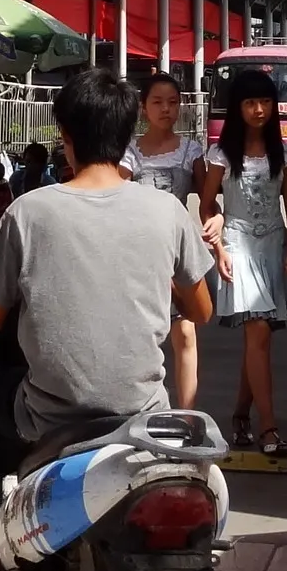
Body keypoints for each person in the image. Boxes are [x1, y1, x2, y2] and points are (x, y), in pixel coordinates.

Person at [0, 69, 214, 571]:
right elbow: (201, 311)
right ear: (126, 133)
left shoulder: (29, 211)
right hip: (142, 411)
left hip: (51, 415)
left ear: (64, 137)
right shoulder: (167, 211)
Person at [199, 68, 287, 458]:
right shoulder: (221, 155)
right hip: (237, 245)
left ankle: (241, 414)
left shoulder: (285, 153)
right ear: (237, 107)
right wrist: (219, 247)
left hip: (273, 243)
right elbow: (208, 204)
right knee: (258, 333)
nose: (258, 110)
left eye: (265, 102)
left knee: (258, 338)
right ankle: (269, 428)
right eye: (249, 102)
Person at [124, 73, 210, 409]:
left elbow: (207, 201)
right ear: (143, 107)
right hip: (138, 256)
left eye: (173, 102)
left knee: (185, 333)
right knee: (140, 337)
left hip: (177, 254)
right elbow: (116, 197)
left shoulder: (191, 150)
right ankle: (139, 410)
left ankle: (187, 416)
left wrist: (214, 220)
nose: (166, 109)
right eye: (158, 102)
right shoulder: (129, 153)